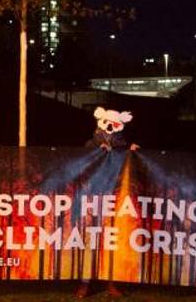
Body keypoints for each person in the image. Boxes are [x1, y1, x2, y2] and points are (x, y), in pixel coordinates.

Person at [78, 107, 135, 299]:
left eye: (114, 124)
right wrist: (96, 151)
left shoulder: (123, 146)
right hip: (93, 196)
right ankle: (85, 283)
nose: (110, 127)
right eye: (107, 123)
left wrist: (131, 152)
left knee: (113, 240)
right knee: (90, 240)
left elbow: (127, 164)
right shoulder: (90, 144)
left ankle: (112, 281)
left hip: (115, 197)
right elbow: (83, 162)